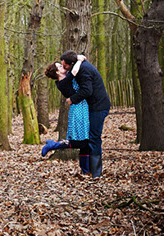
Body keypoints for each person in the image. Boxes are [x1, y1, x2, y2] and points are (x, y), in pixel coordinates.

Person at [56, 50, 111, 178]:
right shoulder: (78, 67)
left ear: (71, 63)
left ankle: (96, 172)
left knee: (94, 138)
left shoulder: (84, 70)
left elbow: (87, 90)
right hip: (91, 107)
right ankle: (88, 170)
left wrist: (72, 99)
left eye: (65, 65)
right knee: (88, 138)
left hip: (98, 106)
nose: (64, 68)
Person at [41, 57, 90, 175]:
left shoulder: (64, 79)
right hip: (78, 109)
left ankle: (85, 170)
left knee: (85, 141)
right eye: (60, 66)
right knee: (82, 141)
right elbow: (74, 71)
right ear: (57, 72)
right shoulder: (63, 82)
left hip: (81, 106)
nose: (63, 66)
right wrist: (80, 60)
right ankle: (55, 145)